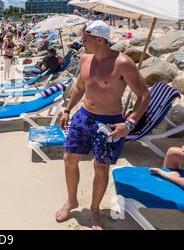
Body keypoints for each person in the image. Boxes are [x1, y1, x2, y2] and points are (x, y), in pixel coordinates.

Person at [55, 20, 151, 230]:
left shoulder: (122, 63)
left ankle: (95, 209)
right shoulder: (85, 59)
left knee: (101, 166)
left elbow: (144, 95)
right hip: (83, 116)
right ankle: (72, 200)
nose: (82, 43)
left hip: (109, 122)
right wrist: (68, 109)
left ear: (100, 39)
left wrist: (130, 123)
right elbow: (80, 87)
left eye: (85, 39)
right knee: (69, 159)